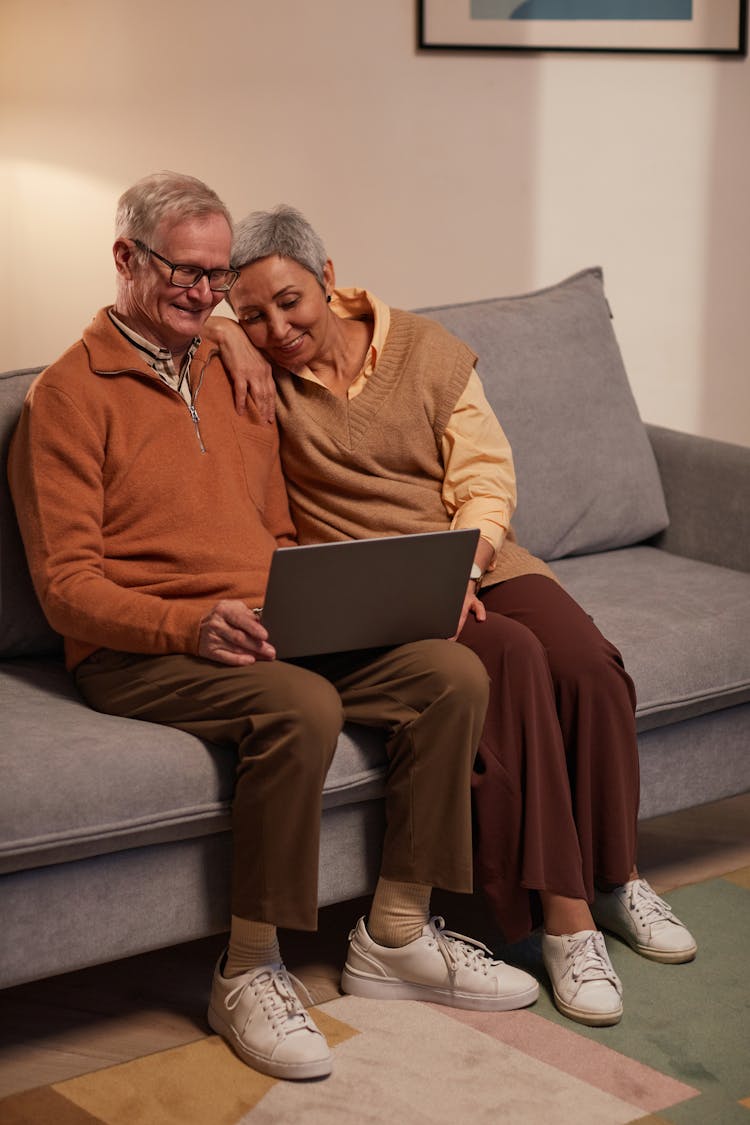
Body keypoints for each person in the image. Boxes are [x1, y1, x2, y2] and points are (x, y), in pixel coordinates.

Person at [7, 173, 540, 1083]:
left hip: (265, 620)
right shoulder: (64, 397)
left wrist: (223, 335)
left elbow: (279, 514)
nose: (204, 293)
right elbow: (66, 589)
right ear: (125, 258)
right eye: (185, 272)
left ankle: (397, 936)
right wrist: (187, 624)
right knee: (299, 704)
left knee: (449, 676)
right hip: (141, 647)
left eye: (218, 278)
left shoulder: (229, 361)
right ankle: (248, 968)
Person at [206, 203, 698, 1029]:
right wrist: (222, 336)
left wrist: (468, 563)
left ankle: (619, 878)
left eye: (288, 301)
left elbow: (486, 477)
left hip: (480, 555)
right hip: (383, 586)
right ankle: (566, 920)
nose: (274, 327)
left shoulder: (426, 351)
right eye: (249, 313)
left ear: (328, 279)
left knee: (587, 662)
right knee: (509, 659)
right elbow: (145, 324)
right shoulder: (253, 374)